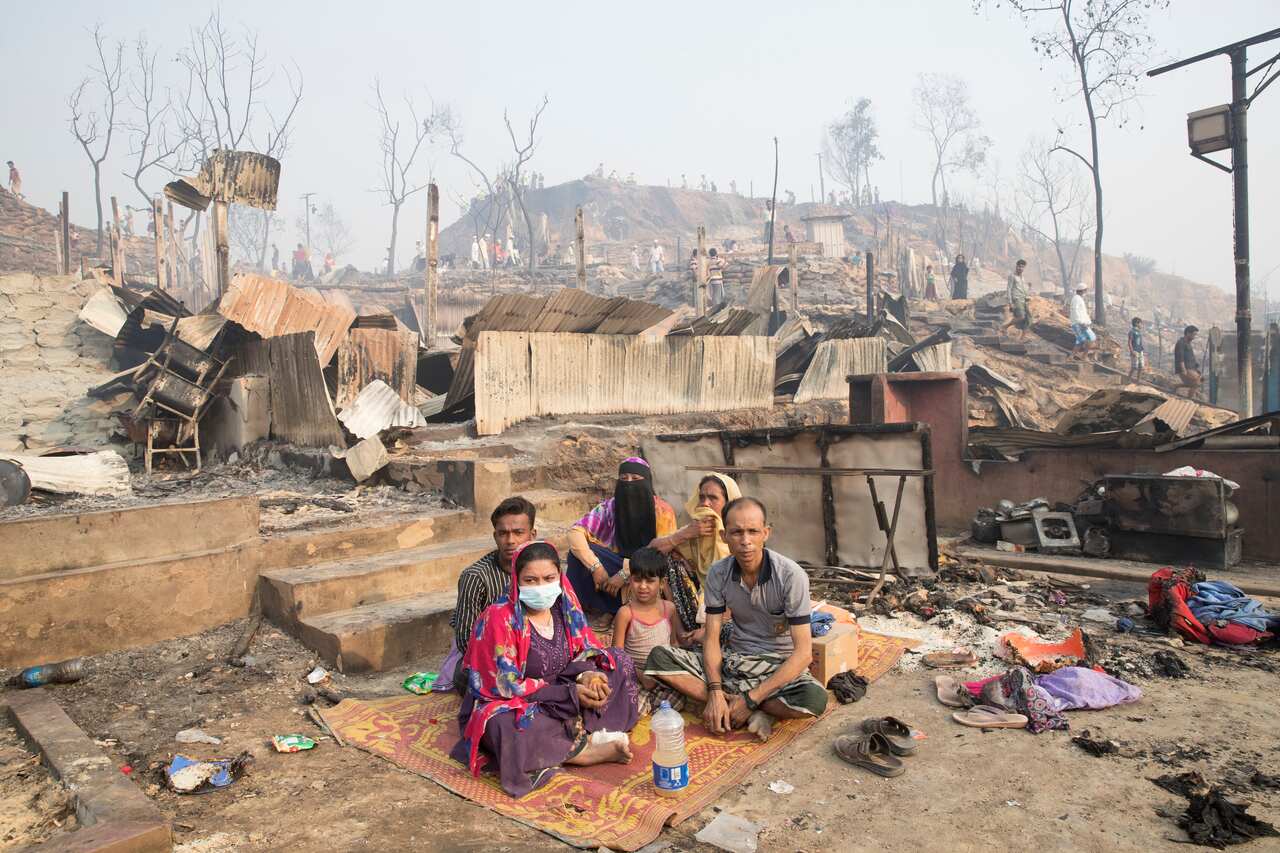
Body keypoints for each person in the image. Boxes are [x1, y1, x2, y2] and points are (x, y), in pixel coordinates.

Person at [452, 541, 639, 798]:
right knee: (507, 724)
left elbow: (583, 650)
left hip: (565, 686)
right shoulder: (500, 618)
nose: (541, 587)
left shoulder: (564, 606)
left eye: (548, 578)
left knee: (619, 661)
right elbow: (504, 686)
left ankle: (574, 734)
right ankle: (580, 752)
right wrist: (569, 693)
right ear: (517, 581)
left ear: (559, 578)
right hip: (519, 698)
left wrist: (588, 675)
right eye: (531, 580)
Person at [644, 498, 828, 734]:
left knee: (814, 699)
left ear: (766, 533)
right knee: (659, 657)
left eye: (753, 532)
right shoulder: (718, 574)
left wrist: (751, 699)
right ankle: (727, 703)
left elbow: (803, 654)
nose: (745, 541)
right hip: (734, 660)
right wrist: (715, 691)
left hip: (774, 665)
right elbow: (712, 638)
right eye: (737, 533)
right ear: (724, 536)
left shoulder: (791, 576)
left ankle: (743, 704)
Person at [440, 496, 541, 692]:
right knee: (477, 679)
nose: (511, 541)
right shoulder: (476, 577)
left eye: (518, 533)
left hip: (535, 650)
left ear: (532, 534)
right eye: (503, 533)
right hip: (488, 657)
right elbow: (465, 641)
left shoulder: (543, 570)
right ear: (495, 536)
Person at [565, 458, 682, 616]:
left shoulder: (662, 511)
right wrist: (596, 567)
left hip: (648, 569)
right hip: (617, 563)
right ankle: (590, 609)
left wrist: (625, 573)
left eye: (635, 479)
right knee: (578, 553)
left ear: (647, 482)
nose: (629, 484)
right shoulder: (610, 507)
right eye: (624, 479)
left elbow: (660, 554)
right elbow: (575, 531)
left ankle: (616, 611)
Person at [613, 547, 680, 682]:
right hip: (634, 676)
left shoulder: (669, 609)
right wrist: (640, 676)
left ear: (661, 583)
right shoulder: (626, 613)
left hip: (664, 675)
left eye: (650, 581)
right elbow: (617, 656)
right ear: (630, 580)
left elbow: (673, 644)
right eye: (637, 580)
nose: (643, 586)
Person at [1069, 284, 1096, 357]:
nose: (1086, 292)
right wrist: (1081, 322)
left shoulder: (1079, 298)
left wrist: (1088, 322)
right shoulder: (1076, 299)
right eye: (1086, 290)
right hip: (1079, 324)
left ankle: (1074, 356)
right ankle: (1084, 356)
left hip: (1081, 323)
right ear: (1083, 290)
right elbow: (1075, 311)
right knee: (1090, 338)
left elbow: (1083, 313)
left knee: (1082, 340)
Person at [1174, 325, 1202, 391]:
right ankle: (1189, 399)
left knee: (1200, 380)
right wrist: (1184, 370)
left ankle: (1176, 386)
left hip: (1191, 368)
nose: (1194, 337)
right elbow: (1180, 357)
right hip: (1186, 368)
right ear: (1188, 333)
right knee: (1196, 381)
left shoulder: (1188, 343)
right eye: (1193, 335)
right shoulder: (1181, 343)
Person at [1006, 259, 1030, 336]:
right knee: (1021, 317)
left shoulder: (1022, 277)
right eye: (1019, 266)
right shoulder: (1012, 276)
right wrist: (1010, 303)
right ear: (1016, 266)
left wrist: (1027, 292)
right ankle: (1005, 326)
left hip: (1024, 300)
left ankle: (1023, 337)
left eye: (1022, 267)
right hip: (1016, 300)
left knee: (1028, 319)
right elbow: (1009, 289)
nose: (1021, 268)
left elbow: (1022, 289)